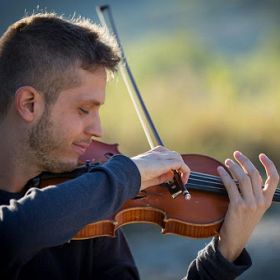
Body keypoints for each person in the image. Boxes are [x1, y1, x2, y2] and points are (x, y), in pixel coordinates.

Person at [0, 13, 278, 280]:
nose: (97, 130)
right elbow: (12, 234)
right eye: (84, 109)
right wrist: (129, 173)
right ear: (29, 104)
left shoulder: (94, 207)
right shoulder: (106, 187)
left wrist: (222, 256)